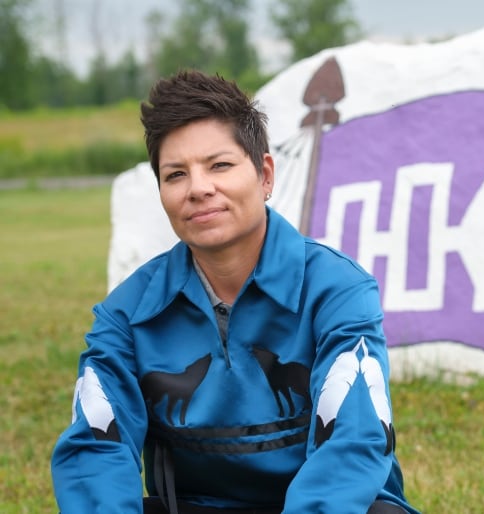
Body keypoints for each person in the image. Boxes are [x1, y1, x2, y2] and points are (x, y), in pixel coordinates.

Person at [51, 69, 420, 514]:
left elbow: (354, 440)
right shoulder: (126, 314)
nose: (199, 189)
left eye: (219, 165)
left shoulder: (339, 291)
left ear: (265, 175)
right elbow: (95, 449)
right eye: (175, 175)